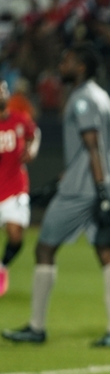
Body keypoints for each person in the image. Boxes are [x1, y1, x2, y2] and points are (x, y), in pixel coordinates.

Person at [2, 45, 110, 346]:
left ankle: (36, 326)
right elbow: (92, 153)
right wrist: (68, 184)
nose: (62, 64)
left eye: (68, 61)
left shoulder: (82, 99)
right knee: (106, 252)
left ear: (81, 67)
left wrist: (94, 190)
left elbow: (91, 145)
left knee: (44, 249)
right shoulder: (102, 96)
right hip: (104, 183)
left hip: (82, 191)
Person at [0, 80, 40, 296]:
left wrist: (31, 151)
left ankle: (2, 267)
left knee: (16, 236)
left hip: (14, 188)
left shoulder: (19, 120)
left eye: (3, 91)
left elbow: (35, 135)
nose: (1, 94)